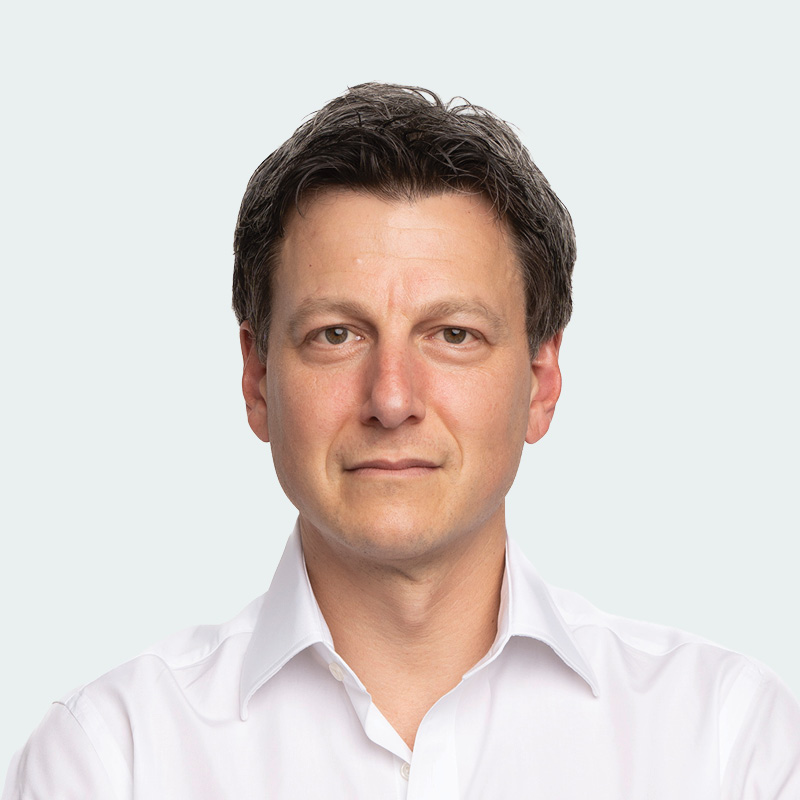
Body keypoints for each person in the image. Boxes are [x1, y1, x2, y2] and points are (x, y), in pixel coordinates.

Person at [3, 82, 799, 799]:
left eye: (452, 334)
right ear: (256, 380)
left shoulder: (727, 745)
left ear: (541, 381)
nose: (391, 398)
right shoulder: (111, 760)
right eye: (336, 333)